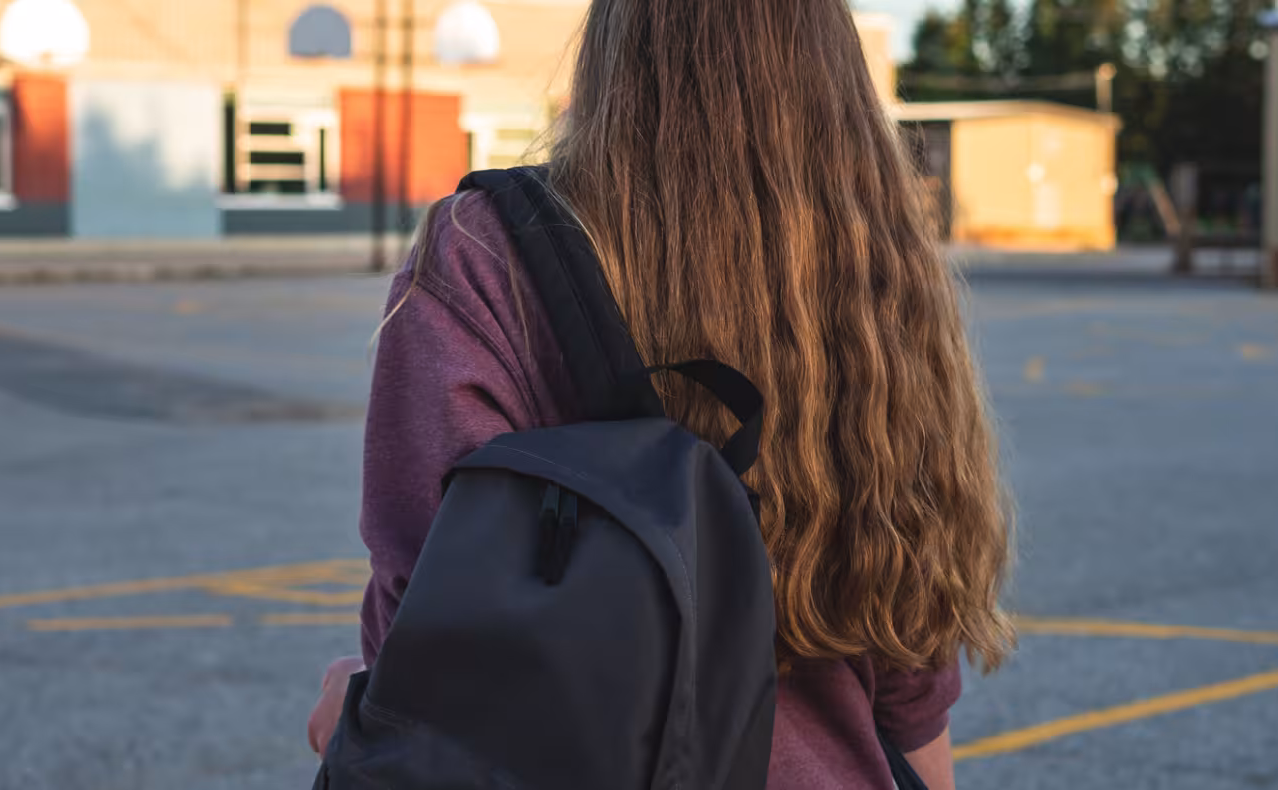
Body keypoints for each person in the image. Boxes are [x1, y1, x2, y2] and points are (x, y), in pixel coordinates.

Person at [308, 0, 1015, 786]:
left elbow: (424, 632)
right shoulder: (873, 271)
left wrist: (350, 705)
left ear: (617, 45)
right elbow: (911, 674)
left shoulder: (482, 253)